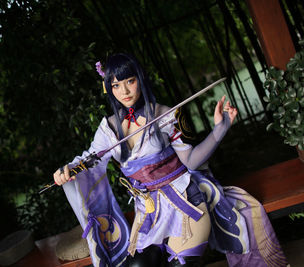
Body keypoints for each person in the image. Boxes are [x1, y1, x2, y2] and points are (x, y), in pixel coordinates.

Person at [53, 53, 287, 267]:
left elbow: (192, 161)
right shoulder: (108, 129)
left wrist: (220, 129)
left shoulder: (165, 115)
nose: (124, 91)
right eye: (116, 85)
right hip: (148, 211)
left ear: (140, 80)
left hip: (185, 201)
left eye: (129, 81)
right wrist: (69, 169)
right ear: (109, 88)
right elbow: (91, 159)